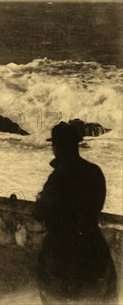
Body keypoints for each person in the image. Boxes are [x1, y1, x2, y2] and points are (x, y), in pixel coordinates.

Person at [34, 122, 118, 304]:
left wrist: (40, 201)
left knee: (51, 291)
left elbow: (42, 213)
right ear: (75, 145)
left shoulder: (56, 179)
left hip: (61, 253)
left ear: (57, 147)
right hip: (92, 246)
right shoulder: (94, 172)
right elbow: (98, 203)